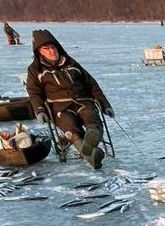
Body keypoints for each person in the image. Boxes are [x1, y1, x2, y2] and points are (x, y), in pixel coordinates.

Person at [26, 30, 114, 170]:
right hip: (59, 107)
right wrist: (40, 110)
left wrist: (105, 105)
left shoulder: (71, 63)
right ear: (39, 51)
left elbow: (91, 84)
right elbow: (34, 93)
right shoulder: (35, 69)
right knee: (70, 125)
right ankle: (91, 156)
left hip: (83, 101)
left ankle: (90, 142)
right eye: (46, 48)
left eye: (53, 47)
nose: (51, 51)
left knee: (91, 117)